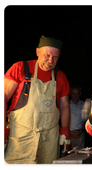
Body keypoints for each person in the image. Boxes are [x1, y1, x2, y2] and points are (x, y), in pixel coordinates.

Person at [2, 35, 71, 165]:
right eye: (47, 55)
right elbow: (2, 98)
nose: (50, 60)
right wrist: (2, 130)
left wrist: (65, 130)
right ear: (37, 52)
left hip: (49, 139)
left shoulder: (60, 77)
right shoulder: (20, 68)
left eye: (55, 57)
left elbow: (65, 106)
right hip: (20, 137)